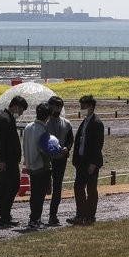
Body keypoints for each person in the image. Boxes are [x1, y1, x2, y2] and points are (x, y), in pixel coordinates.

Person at [68, 94, 104, 226]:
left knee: (91, 189)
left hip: (91, 163)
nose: (81, 108)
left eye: (83, 106)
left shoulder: (96, 123)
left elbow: (97, 145)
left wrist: (93, 163)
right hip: (81, 162)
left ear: (91, 107)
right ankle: (80, 214)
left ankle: (90, 216)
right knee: (78, 188)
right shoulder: (85, 121)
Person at [0, 94, 28, 227]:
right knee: (12, 186)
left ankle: (4, 214)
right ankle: (5, 215)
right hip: (7, 161)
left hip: (9, 160)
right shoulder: (5, 119)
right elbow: (0, 142)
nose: (21, 113)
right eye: (21, 110)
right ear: (16, 106)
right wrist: (2, 160)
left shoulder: (7, 118)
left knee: (5, 187)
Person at [22, 102, 53, 229]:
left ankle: (33, 218)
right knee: (39, 196)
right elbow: (45, 150)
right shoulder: (43, 129)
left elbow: (25, 146)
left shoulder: (28, 127)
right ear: (48, 116)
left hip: (31, 165)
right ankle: (35, 219)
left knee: (34, 194)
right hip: (42, 166)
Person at [45, 95, 74, 226]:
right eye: (54, 106)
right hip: (46, 159)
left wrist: (67, 149)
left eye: (59, 106)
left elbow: (70, 140)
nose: (56, 108)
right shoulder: (44, 123)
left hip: (61, 159)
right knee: (43, 187)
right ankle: (36, 216)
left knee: (57, 187)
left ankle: (53, 215)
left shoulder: (67, 123)